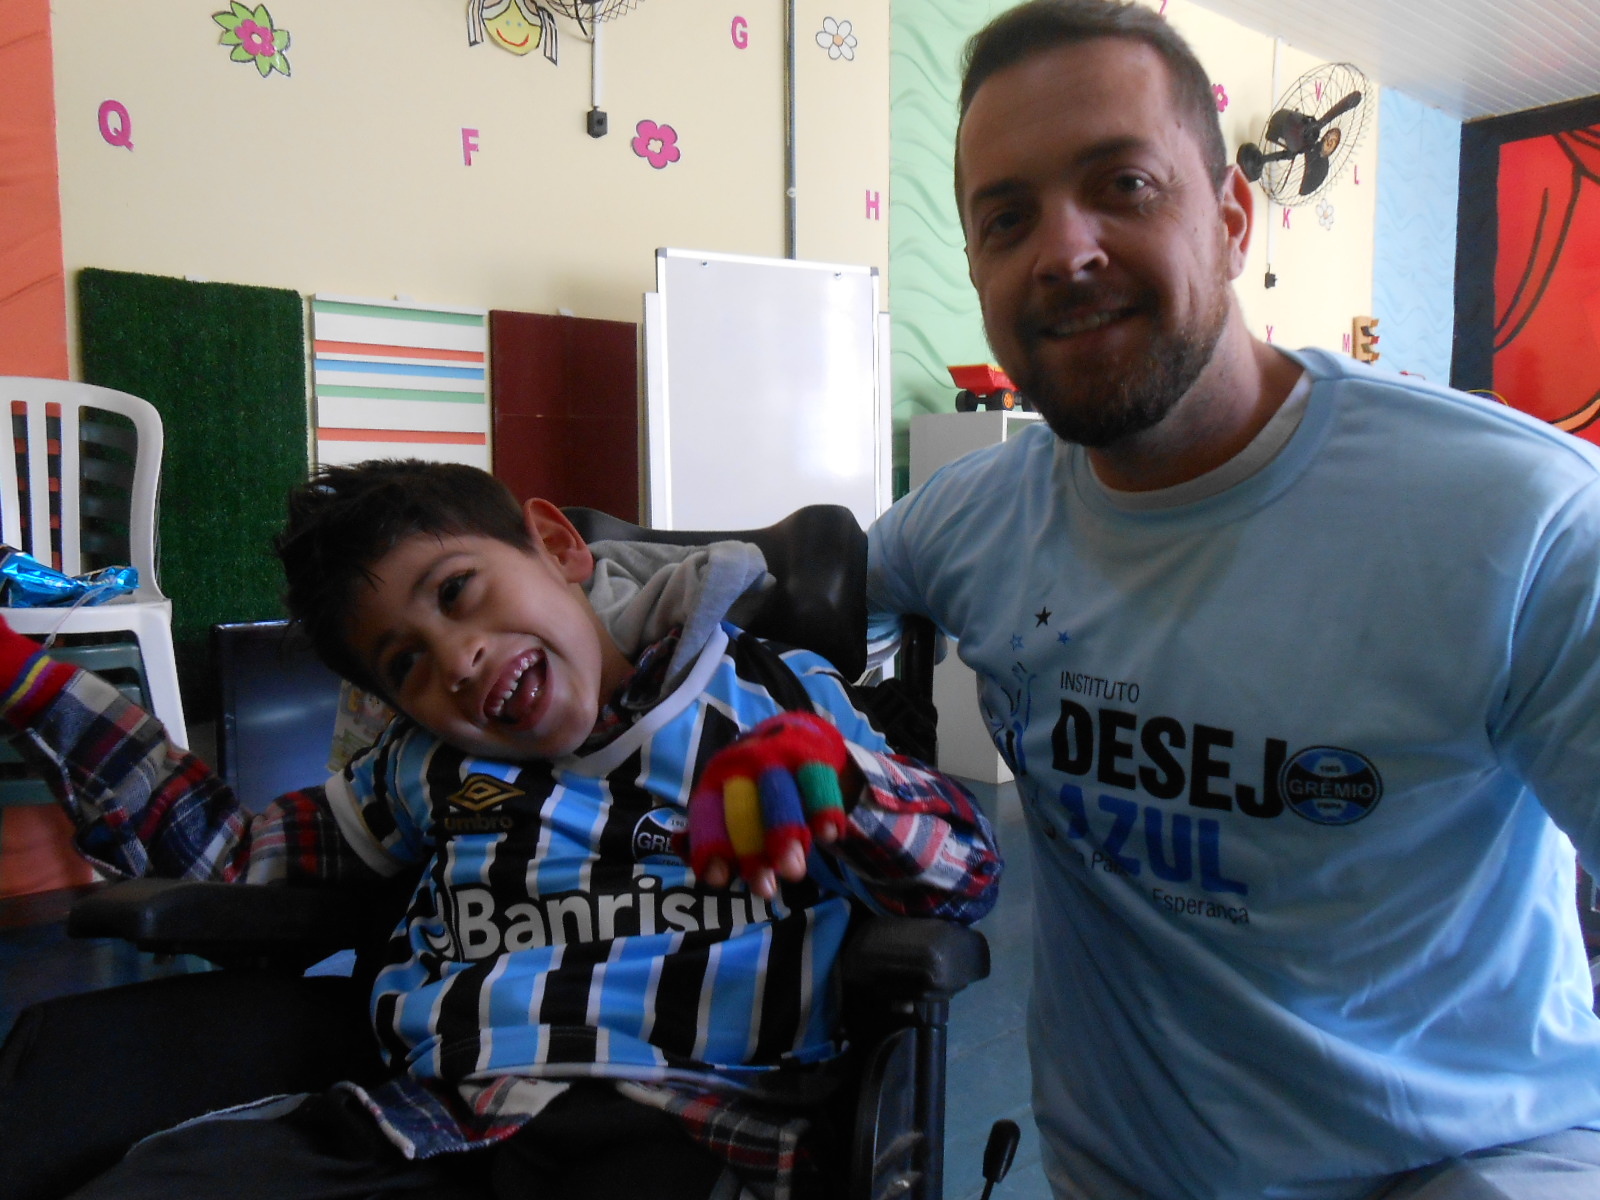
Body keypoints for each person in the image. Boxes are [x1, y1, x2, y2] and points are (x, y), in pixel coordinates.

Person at [866, 2, 1600, 1198]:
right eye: (1007, 218)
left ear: (1230, 219)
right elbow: (772, 597)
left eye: (1124, 184)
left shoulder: (1521, 520)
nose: (1063, 249)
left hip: (1478, 1162)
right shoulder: (973, 521)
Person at [1, 459, 1000, 1200]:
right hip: (433, 1119)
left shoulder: (767, 700)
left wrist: (843, 789)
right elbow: (232, 853)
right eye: (405, 664)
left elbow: (959, 870)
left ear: (560, 549)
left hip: (688, 1126)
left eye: (456, 592)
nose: (458, 658)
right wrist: (25, 677)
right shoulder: (424, 766)